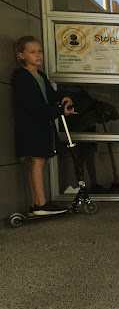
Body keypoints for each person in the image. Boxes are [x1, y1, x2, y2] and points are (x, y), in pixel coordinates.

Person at [12, 36, 77, 216]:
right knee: (37, 160)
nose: (38, 55)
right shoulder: (21, 77)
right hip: (30, 126)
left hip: (41, 125)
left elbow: (51, 94)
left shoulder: (41, 76)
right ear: (21, 55)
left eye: (39, 51)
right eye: (32, 52)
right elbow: (33, 106)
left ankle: (36, 203)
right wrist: (60, 111)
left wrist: (63, 98)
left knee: (36, 161)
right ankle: (40, 203)